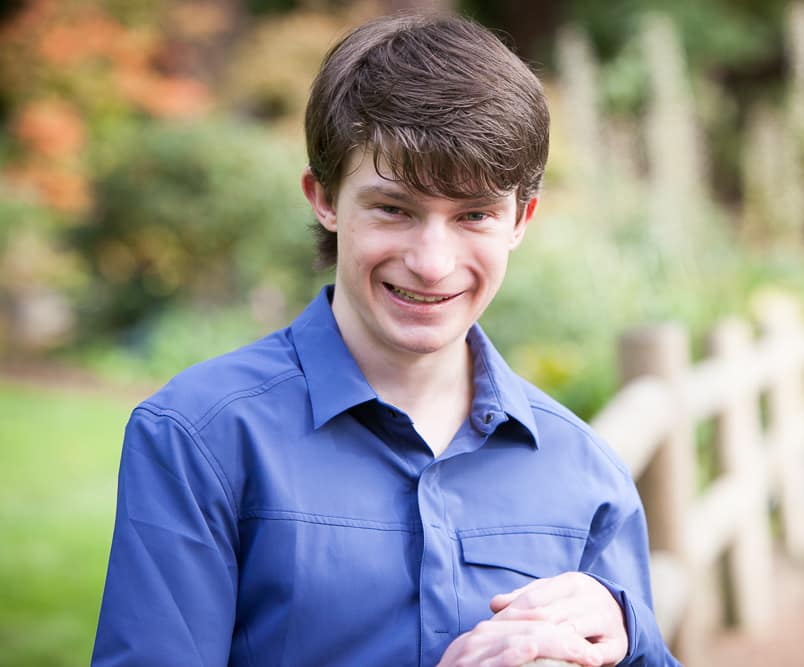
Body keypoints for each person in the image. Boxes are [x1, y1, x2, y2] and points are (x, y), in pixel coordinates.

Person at [92, 11, 682, 667]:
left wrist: (630, 642)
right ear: (325, 198)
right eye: (394, 208)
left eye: (474, 214)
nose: (433, 261)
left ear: (521, 219)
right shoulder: (198, 438)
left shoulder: (587, 470)